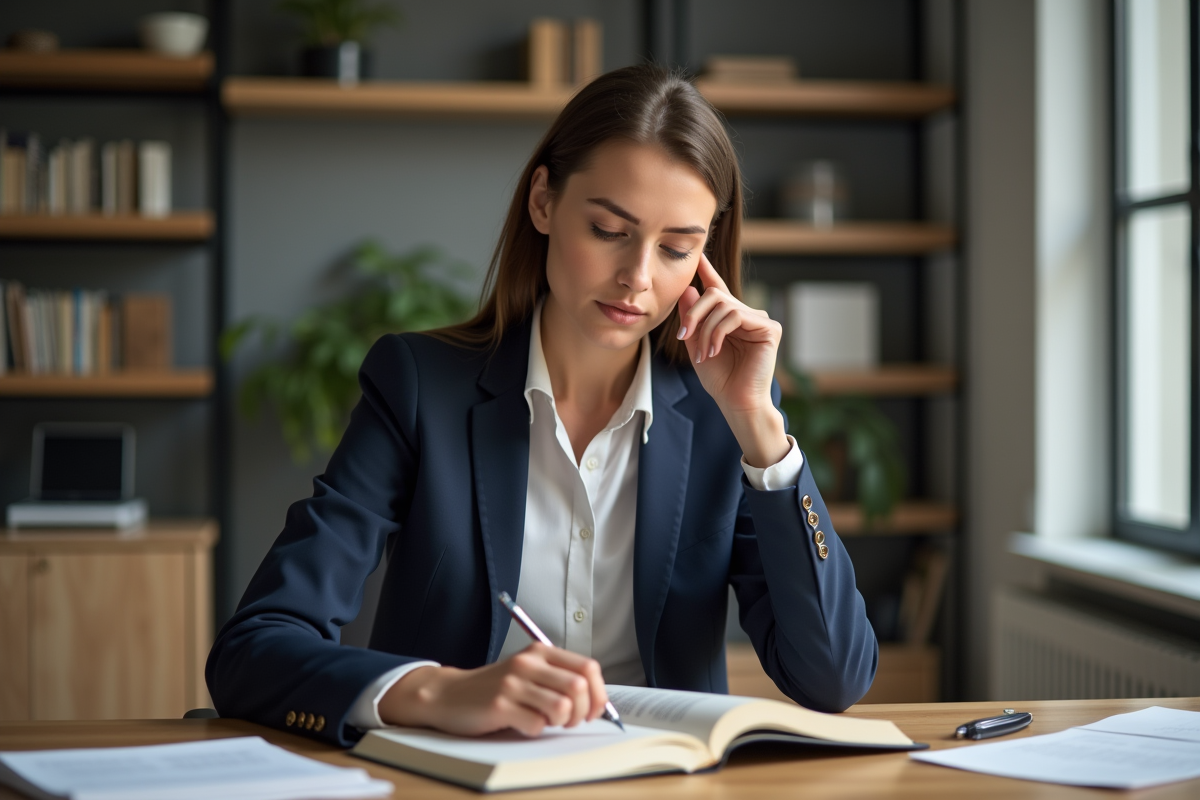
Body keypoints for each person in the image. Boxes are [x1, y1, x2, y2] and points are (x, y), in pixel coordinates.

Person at [207, 63, 877, 747]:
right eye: (609, 230)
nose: (638, 278)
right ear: (543, 203)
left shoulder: (725, 419)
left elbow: (832, 678)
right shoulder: (419, 387)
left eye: (677, 249)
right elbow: (253, 649)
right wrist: (438, 690)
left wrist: (763, 434)